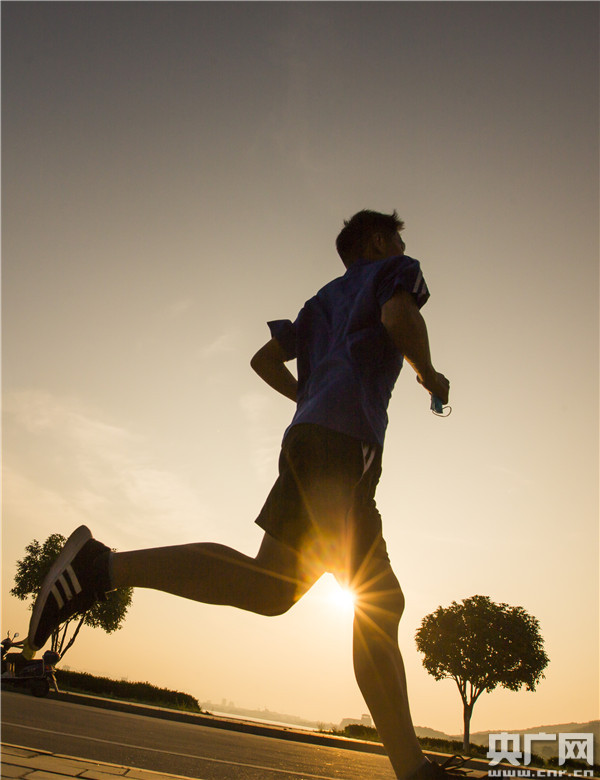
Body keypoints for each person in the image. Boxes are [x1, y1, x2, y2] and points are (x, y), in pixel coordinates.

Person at [24, 210, 455, 779]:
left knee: (271, 589)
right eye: (397, 235)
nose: (403, 243)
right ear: (379, 240)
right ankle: (414, 770)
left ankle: (100, 567)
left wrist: (311, 398)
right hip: (344, 447)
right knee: (379, 602)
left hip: (309, 441)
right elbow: (400, 313)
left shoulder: (321, 301)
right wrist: (428, 373)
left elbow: (263, 360)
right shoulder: (396, 270)